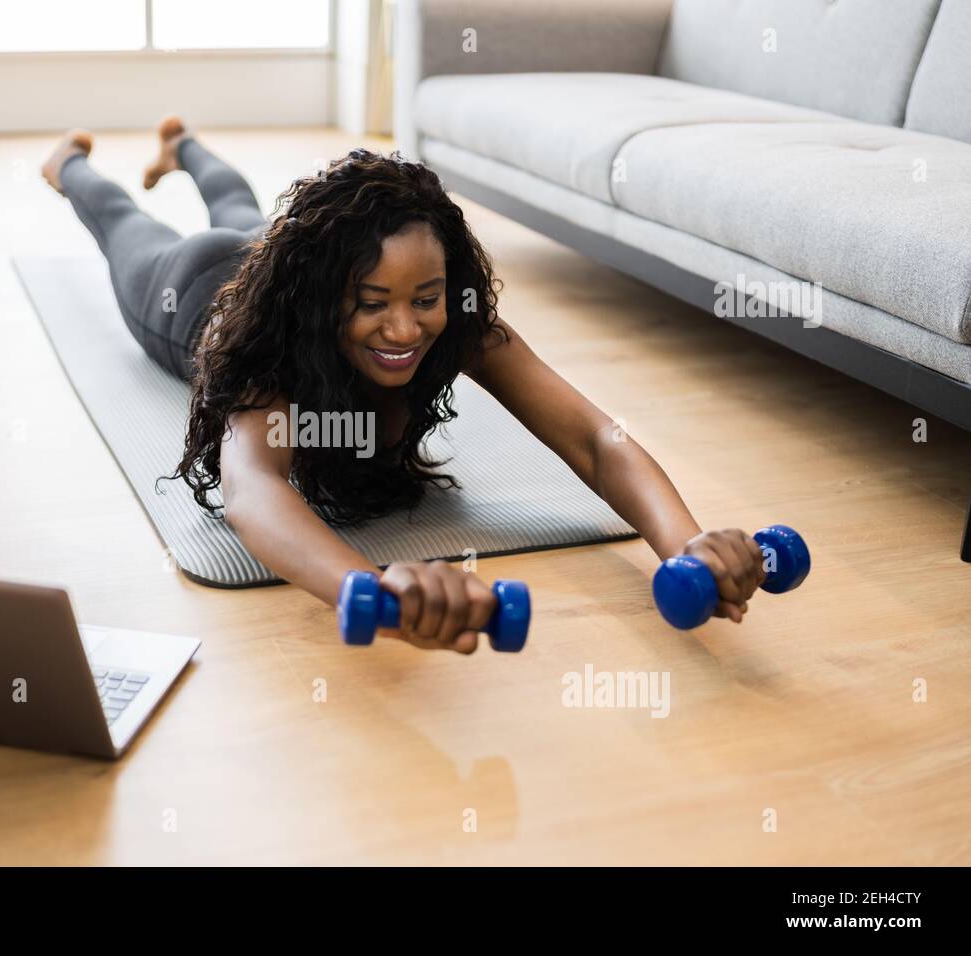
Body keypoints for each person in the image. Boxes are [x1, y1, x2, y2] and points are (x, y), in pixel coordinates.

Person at [43, 118, 767, 653]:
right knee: (121, 223)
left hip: (264, 257)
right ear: (324, 296)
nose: (403, 330)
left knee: (239, 208)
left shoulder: (459, 326)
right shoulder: (271, 360)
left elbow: (593, 439)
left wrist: (688, 544)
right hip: (194, 288)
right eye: (371, 304)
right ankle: (67, 163)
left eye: (425, 297)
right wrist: (375, 589)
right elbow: (253, 489)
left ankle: (183, 146)